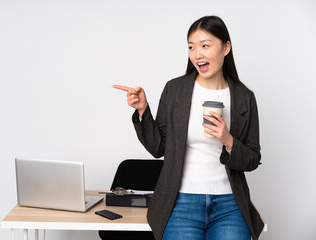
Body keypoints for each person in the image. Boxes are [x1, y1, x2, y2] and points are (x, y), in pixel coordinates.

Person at [113, 15, 264, 240]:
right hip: (180, 203)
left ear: (226, 48)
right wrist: (144, 111)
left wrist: (227, 139)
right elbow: (158, 148)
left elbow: (252, 159)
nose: (197, 54)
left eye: (205, 45)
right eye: (191, 47)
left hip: (229, 205)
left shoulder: (244, 98)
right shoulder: (175, 90)